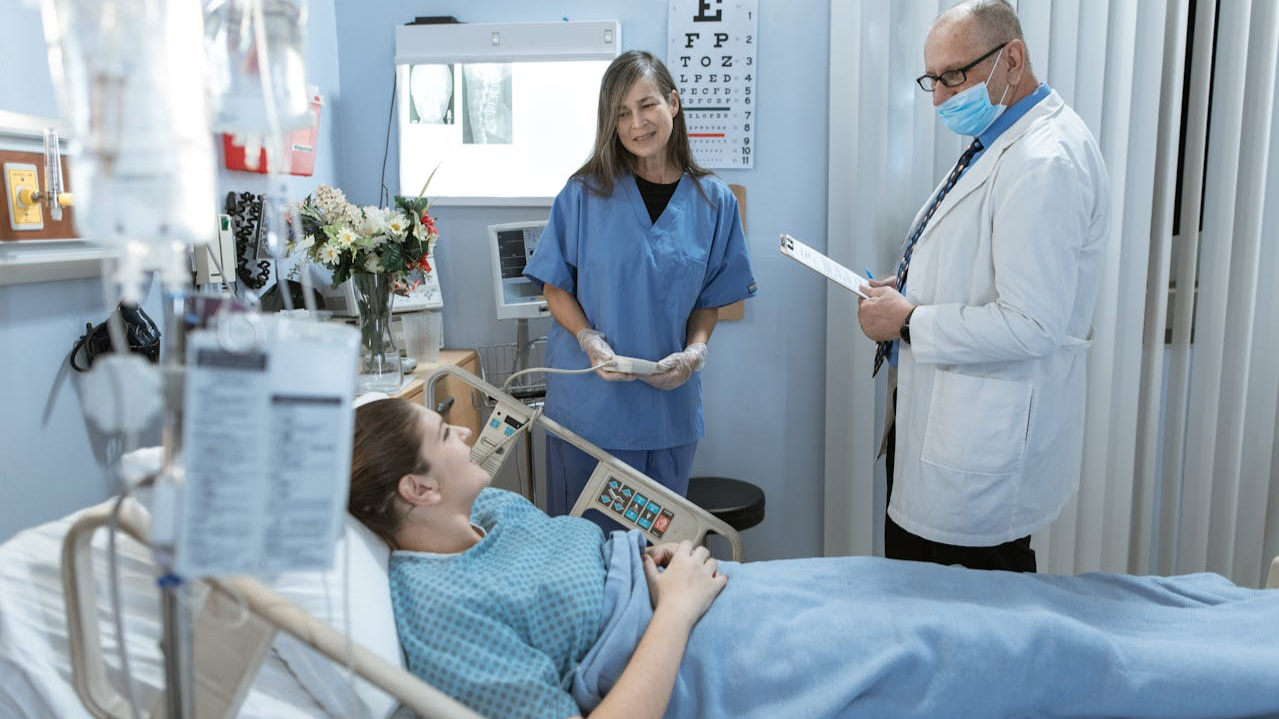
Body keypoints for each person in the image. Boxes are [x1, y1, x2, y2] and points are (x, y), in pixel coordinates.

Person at [348, 398, 1279, 719]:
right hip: (691, 646)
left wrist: (663, 560)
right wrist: (672, 609)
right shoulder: (436, 616)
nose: (468, 428)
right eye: (444, 431)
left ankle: (1232, 616)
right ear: (416, 491)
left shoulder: (499, 509)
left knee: (978, 591)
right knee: (1016, 642)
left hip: (720, 591)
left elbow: (597, 551)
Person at [857, 0, 1110, 572]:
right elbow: (982, 264)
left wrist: (906, 320)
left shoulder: (1045, 161)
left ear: (1012, 59)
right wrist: (912, 285)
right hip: (949, 432)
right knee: (925, 607)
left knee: (970, 630)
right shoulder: (1003, 141)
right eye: (932, 80)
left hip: (979, 454)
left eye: (954, 76)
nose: (941, 97)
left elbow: (1032, 323)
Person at [522, 50, 756, 523]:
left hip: (667, 414)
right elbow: (555, 287)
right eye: (622, 113)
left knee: (653, 562)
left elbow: (709, 301)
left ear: (673, 102)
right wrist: (588, 340)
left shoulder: (714, 203)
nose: (636, 124)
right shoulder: (582, 194)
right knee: (585, 557)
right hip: (589, 413)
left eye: (647, 105)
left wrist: (694, 353)